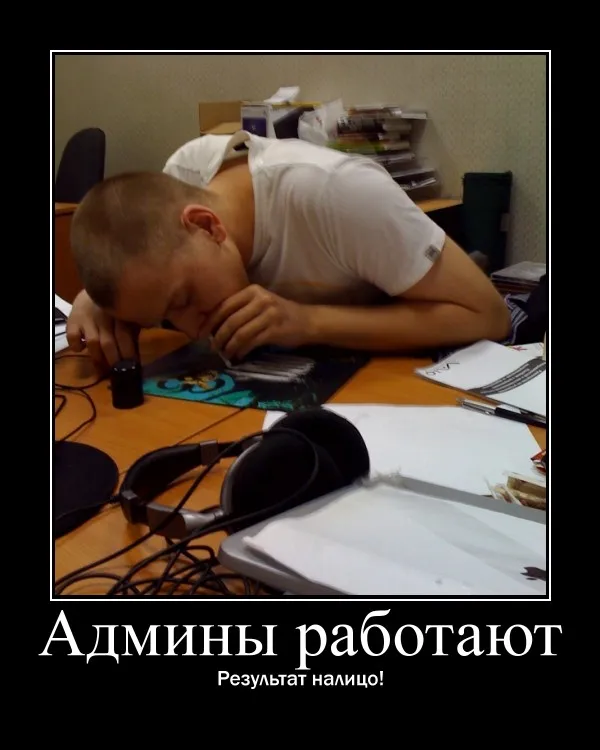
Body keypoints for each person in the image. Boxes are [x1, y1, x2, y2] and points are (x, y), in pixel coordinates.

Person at [66, 130, 511, 369]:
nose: (192, 330)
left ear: (207, 225)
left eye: (183, 300)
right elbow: (146, 262)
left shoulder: (336, 195)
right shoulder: (183, 180)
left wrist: (306, 321)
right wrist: (102, 302)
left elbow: (489, 316)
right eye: (166, 318)